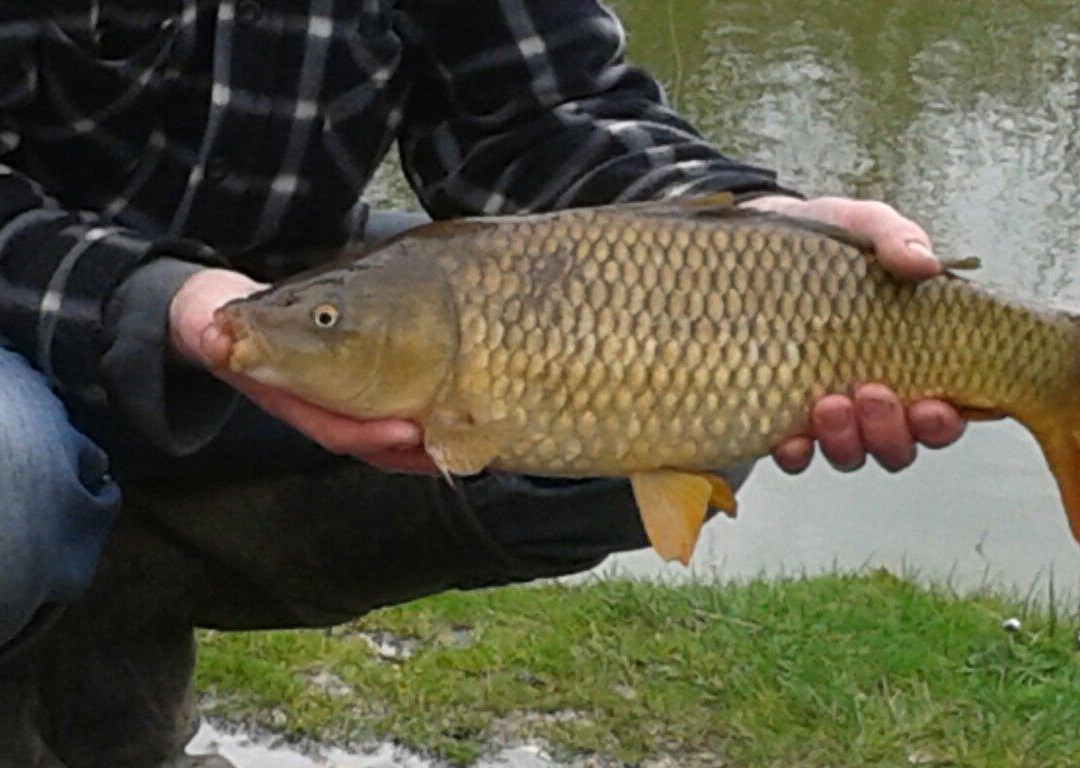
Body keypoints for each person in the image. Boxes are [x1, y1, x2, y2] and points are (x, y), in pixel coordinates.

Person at [0, 2, 965, 766]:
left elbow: (545, 115)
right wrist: (155, 302)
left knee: (661, 417)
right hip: (32, 320)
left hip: (272, 313)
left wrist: (754, 229)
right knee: (14, 476)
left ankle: (108, 616)